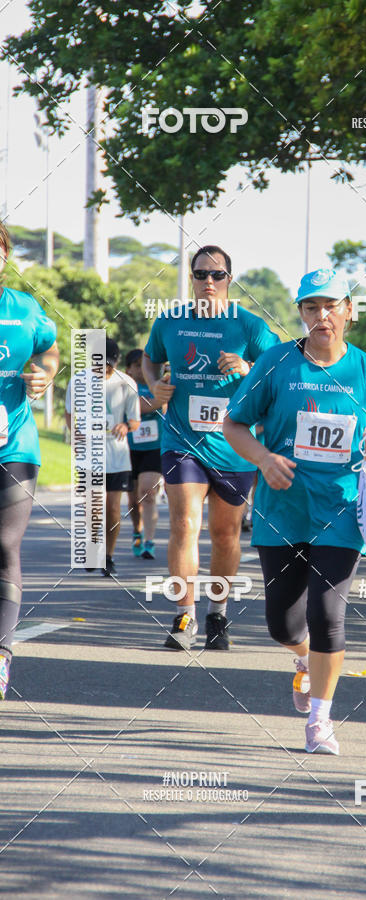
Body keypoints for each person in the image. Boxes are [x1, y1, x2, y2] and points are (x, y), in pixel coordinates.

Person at [223, 267, 366, 755]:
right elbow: (234, 424)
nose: (321, 315)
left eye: (330, 305)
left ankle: (321, 721)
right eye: (310, 307)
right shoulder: (277, 363)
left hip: (342, 508)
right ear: (300, 314)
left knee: (328, 613)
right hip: (282, 507)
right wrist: (263, 458)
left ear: (349, 309)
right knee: (282, 622)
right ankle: (303, 660)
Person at [142, 245, 280, 651]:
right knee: (184, 524)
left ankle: (217, 614)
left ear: (229, 280)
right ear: (191, 278)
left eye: (216, 275)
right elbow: (151, 360)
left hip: (234, 446)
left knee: (225, 533)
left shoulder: (250, 327)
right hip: (182, 441)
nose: (208, 282)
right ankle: (184, 616)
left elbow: (277, 373)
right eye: (201, 274)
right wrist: (153, 384)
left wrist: (247, 368)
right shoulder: (170, 321)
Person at [0, 222, 59, 699]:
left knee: (4, 543)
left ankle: (1, 652)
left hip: (14, 444)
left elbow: (50, 352)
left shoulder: (25, 309)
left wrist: (43, 376)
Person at [65, 338, 140, 576]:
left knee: (113, 509)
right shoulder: (78, 381)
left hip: (117, 454)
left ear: (115, 362)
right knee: (93, 507)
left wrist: (126, 426)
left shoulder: (126, 383)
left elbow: (136, 421)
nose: (103, 370)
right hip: (90, 452)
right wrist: (74, 433)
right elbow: (69, 412)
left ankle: (108, 556)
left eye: (107, 365)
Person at [125, 349, 166, 559]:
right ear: (128, 369)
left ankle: (149, 541)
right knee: (133, 500)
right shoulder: (123, 386)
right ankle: (137, 531)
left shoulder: (158, 384)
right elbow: (138, 407)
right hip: (128, 448)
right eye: (136, 364)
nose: (141, 368)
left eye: (144, 363)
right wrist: (161, 398)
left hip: (154, 446)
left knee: (148, 493)